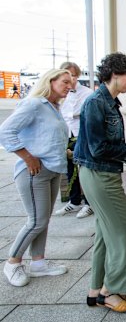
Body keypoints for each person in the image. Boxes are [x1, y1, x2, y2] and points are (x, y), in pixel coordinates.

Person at [73, 52, 126, 313]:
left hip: (101, 174)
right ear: (115, 74)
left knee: (106, 236)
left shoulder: (107, 101)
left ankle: (95, 291)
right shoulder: (97, 102)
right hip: (100, 176)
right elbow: (98, 148)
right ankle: (110, 291)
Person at [0, 69, 73, 287]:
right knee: (37, 220)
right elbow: (5, 132)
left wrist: (67, 153)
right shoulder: (34, 104)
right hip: (34, 172)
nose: (70, 86)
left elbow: (46, 139)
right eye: (65, 82)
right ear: (50, 81)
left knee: (43, 220)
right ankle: (12, 262)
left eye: (72, 83)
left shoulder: (53, 107)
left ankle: (38, 263)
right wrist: (28, 157)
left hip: (52, 170)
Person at [54, 62, 94, 218]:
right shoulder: (61, 95)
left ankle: (89, 203)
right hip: (67, 134)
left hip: (81, 134)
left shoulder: (87, 92)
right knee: (70, 169)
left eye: (73, 75)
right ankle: (74, 201)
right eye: (66, 76)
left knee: (84, 169)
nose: (70, 79)